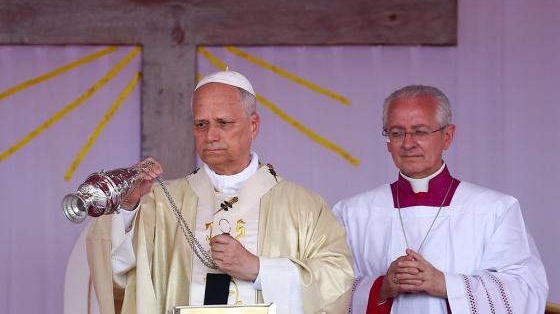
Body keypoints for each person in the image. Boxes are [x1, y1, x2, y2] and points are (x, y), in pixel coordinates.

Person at [86, 70, 353, 314]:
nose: (210, 135)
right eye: (201, 125)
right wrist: (129, 207)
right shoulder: (158, 202)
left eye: (224, 123)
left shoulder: (303, 206)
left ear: (254, 126)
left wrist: (259, 269)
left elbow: (337, 280)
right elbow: (116, 276)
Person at [333, 85, 548, 313]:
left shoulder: (495, 209)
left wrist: (445, 284)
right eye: (396, 132)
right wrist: (380, 287)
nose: (407, 143)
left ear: (447, 136)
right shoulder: (352, 213)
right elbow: (325, 290)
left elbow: (526, 290)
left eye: (420, 131)